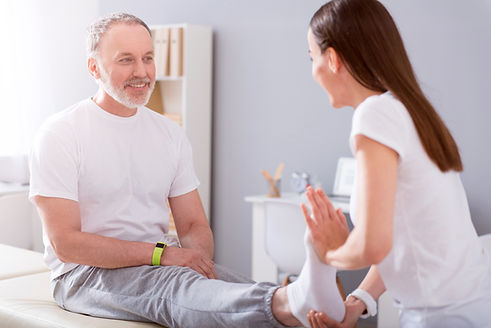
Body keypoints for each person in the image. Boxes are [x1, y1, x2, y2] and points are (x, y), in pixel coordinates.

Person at [29, 12, 347, 328]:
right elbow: (66, 243)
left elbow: (194, 225)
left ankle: (299, 305)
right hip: (83, 273)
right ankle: (292, 301)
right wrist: (163, 256)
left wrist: (196, 263)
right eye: (126, 60)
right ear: (94, 68)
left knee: (231, 285)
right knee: (176, 289)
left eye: (148, 58)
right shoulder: (61, 134)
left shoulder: (169, 134)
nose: (141, 72)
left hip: (157, 260)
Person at [296, 0, 491, 327]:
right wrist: (359, 301)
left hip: (440, 316)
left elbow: (372, 244)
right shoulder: (405, 109)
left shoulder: (374, 115)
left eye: (311, 57)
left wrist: (330, 252)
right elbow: (405, 239)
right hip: (465, 307)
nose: (312, 69)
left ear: (332, 59)